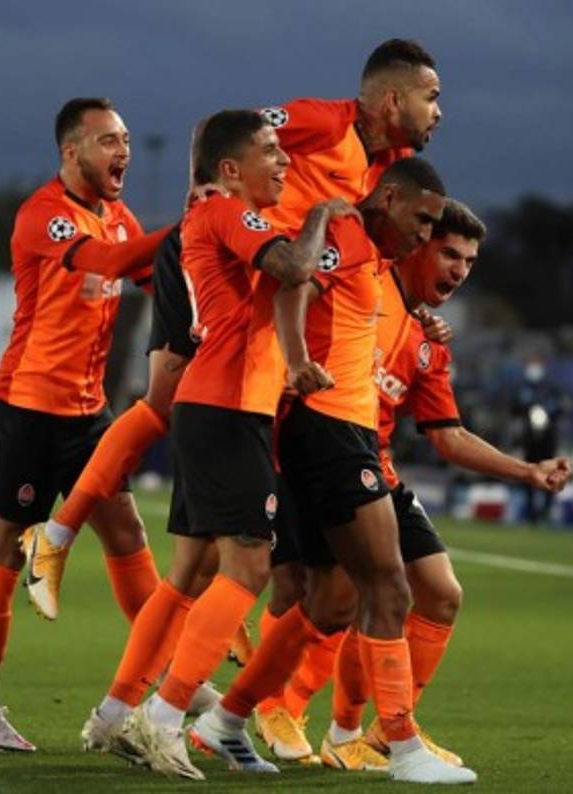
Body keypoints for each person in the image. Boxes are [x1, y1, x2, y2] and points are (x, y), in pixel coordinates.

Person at [22, 37, 440, 627]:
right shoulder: (325, 122)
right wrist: (203, 193)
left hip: (257, 279)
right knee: (167, 400)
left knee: (227, 440)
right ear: (392, 100)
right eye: (431, 97)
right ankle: (57, 535)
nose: (438, 113)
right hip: (222, 254)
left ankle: (182, 657)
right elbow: (219, 128)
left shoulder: (375, 171)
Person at [220, 199, 571, 772]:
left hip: (371, 467)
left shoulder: (428, 341)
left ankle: (367, 732)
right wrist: (294, 363)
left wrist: (526, 470)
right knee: (318, 594)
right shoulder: (363, 280)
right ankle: (258, 708)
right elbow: (291, 289)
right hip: (307, 452)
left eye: (469, 261)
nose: (459, 270)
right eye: (448, 253)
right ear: (417, 244)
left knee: (434, 592)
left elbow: (449, 436)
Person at [185, 157, 475, 785]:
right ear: (390, 198)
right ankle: (395, 745)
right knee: (387, 589)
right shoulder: (344, 234)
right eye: (422, 221)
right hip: (330, 429)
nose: (425, 236)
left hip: (340, 433)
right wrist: (295, 362)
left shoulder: (374, 256)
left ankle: (226, 719)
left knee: (334, 602)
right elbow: (295, 289)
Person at [78, 109, 348, 780]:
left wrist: (291, 361)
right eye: (270, 152)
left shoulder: (221, 216)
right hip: (228, 409)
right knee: (248, 570)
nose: (284, 162)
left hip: (216, 404)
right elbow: (292, 267)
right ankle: (164, 717)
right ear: (231, 169)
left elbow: (279, 286)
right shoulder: (232, 212)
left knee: (189, 577)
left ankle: (115, 713)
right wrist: (323, 215)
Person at [0, 97, 173, 753]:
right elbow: (106, 265)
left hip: (88, 410)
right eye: (108, 140)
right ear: (70, 151)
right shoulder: (45, 216)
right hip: (30, 405)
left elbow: (149, 277)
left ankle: (166, 682)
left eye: (127, 140)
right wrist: (197, 227)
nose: (123, 153)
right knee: (6, 545)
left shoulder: (119, 216)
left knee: (127, 530)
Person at [510, 356, 568, 523]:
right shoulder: (521, 386)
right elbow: (514, 408)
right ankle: (531, 511)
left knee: (550, 471)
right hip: (529, 438)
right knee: (528, 471)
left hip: (548, 438)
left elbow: (562, 406)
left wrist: (550, 412)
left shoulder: (551, 387)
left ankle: (547, 509)